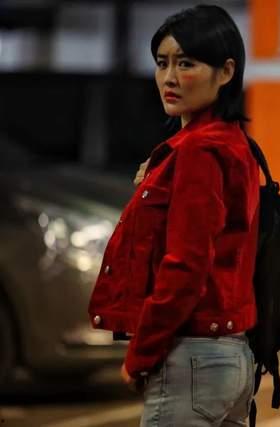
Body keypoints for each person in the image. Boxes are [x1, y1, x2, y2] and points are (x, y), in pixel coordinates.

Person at [88, 5, 260, 426]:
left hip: (191, 356)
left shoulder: (199, 151)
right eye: (162, 63)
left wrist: (142, 351)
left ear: (226, 71)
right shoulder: (233, 142)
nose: (169, 77)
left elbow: (185, 264)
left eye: (186, 64)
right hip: (230, 354)